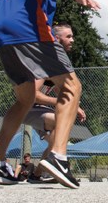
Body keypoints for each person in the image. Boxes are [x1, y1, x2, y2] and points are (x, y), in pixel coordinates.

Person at [0, 0, 100, 188]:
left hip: (0, 31)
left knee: (25, 98)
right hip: (27, 29)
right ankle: (58, 156)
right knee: (72, 86)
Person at [22, 23, 87, 184]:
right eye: (68, 36)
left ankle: (36, 175)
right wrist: (60, 102)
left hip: (41, 110)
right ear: (56, 39)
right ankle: (56, 162)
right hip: (29, 109)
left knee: (58, 137)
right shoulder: (43, 62)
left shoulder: (56, 62)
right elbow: (33, 95)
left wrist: (74, 106)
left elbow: (61, 90)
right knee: (62, 124)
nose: (72, 40)